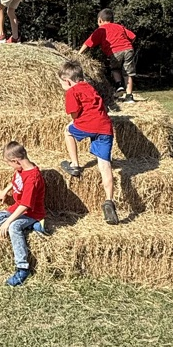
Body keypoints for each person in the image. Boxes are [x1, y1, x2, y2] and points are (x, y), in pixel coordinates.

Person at [58, 60, 119, 225]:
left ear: (68, 81)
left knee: (67, 131)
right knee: (105, 166)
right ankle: (109, 200)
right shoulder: (89, 86)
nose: (62, 87)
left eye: (62, 84)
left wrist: (75, 123)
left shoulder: (71, 91)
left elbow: (74, 113)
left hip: (88, 124)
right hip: (106, 127)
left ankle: (75, 165)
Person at [0, 140, 47, 287]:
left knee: (14, 227)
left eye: (9, 163)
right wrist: (5, 191)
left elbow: (25, 205)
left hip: (32, 212)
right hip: (18, 208)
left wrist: (9, 223)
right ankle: (33, 226)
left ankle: (22, 268)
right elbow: (16, 178)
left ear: (16, 161)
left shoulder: (32, 178)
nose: (9, 166)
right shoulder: (22, 168)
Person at [79, 9, 137, 103]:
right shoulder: (119, 26)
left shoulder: (101, 29)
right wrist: (128, 45)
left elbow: (87, 43)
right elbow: (133, 36)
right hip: (128, 49)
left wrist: (78, 53)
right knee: (128, 73)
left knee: (115, 69)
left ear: (100, 20)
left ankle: (119, 86)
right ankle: (129, 96)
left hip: (115, 52)